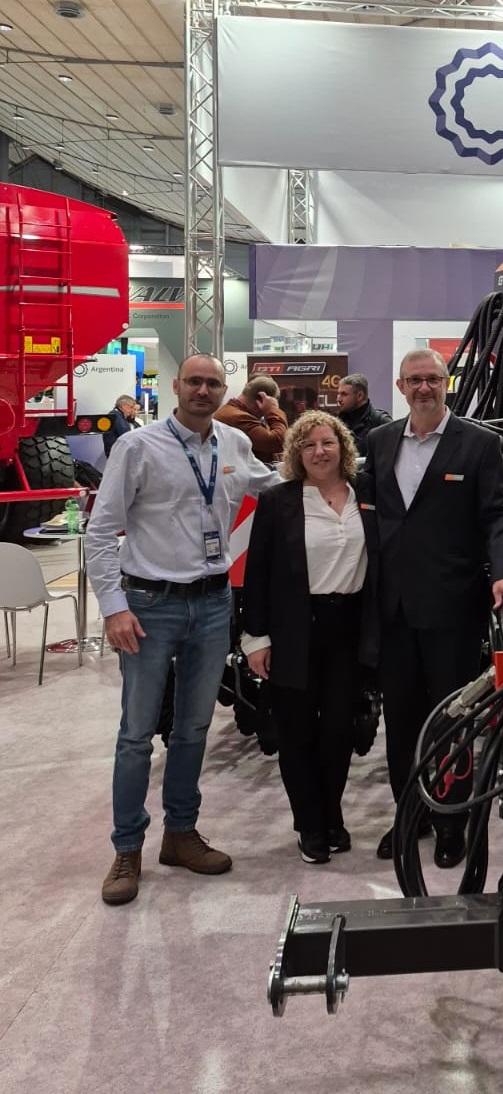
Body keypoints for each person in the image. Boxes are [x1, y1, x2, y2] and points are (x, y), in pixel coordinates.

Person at [87, 353, 279, 906]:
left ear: (225, 390)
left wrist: (334, 470)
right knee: (135, 733)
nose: (202, 390)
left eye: (213, 382)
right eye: (193, 381)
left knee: (193, 730)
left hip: (214, 603)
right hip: (149, 604)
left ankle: (180, 834)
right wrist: (113, 607)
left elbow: (273, 486)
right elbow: (100, 532)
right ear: (176, 386)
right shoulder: (137, 447)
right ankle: (127, 848)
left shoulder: (234, 443)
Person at [359, 347, 503, 868]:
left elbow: (497, 516)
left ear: (446, 383)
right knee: (401, 722)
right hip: (393, 610)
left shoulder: (478, 444)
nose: (423, 388)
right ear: (400, 386)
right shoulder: (380, 442)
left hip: (452, 609)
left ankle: (453, 820)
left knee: (452, 720)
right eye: (414, 380)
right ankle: (411, 815)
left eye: (432, 379)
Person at [241, 410, 366, 865]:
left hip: (348, 628)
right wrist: (256, 638)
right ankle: (309, 825)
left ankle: (332, 816)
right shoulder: (279, 501)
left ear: (343, 448)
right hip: (295, 628)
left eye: (327, 442)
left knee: (338, 730)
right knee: (297, 733)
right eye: (308, 445)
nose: (319, 451)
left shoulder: (364, 496)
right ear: (296, 453)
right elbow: (257, 574)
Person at [214, 375, 288, 464]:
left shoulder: (232, 412)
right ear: (261, 400)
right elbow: (278, 441)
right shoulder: (239, 418)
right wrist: (273, 409)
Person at [336, 373, 393, 449]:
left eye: (344, 394)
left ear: (360, 396)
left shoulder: (381, 421)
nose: (338, 399)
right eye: (338, 394)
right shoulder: (338, 422)